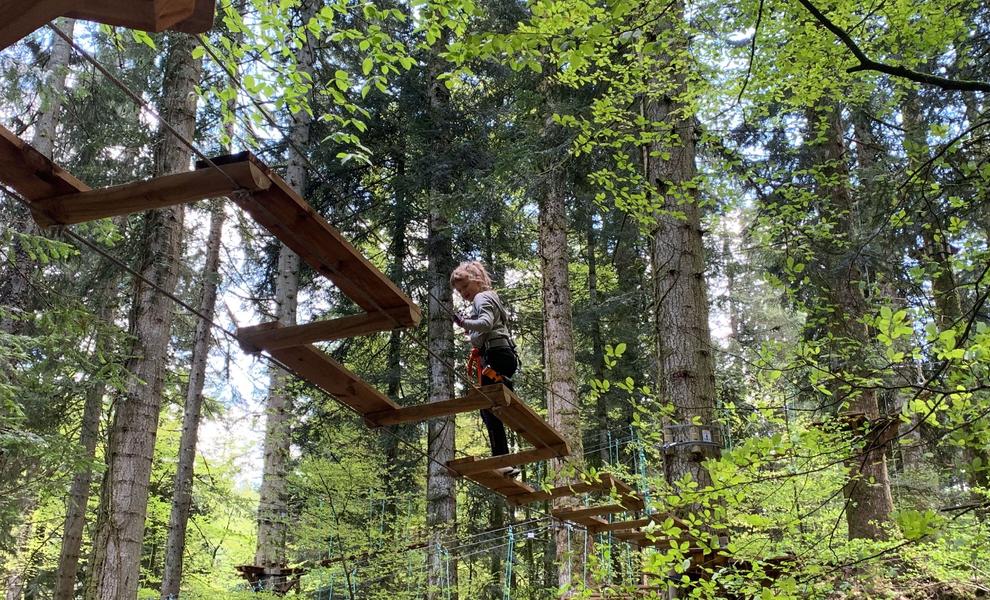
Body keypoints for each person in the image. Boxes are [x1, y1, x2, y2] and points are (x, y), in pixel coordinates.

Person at [450, 261, 520, 478]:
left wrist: (464, 323)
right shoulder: (491, 297)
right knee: (497, 407)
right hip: (505, 355)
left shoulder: (481, 297)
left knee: (487, 408)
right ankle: (506, 459)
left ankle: (502, 460)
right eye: (459, 291)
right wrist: (473, 332)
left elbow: (486, 323)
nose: (463, 293)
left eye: (465, 287)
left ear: (477, 280)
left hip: (496, 356)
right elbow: (489, 326)